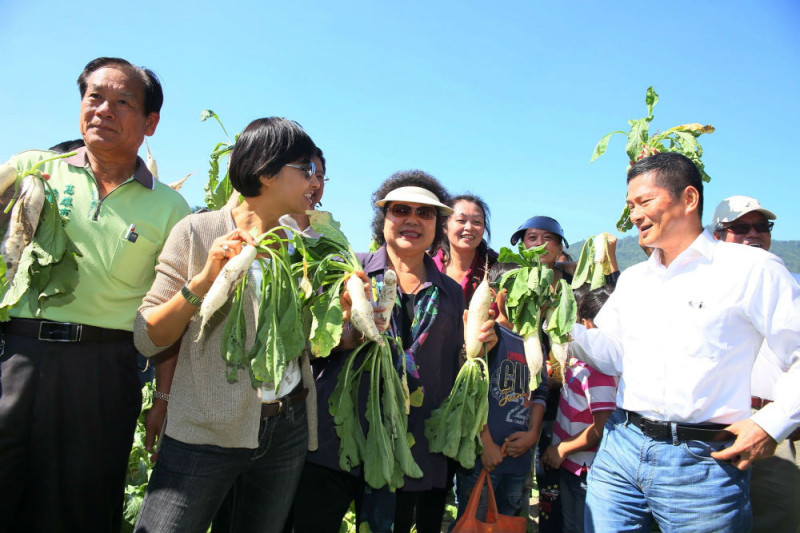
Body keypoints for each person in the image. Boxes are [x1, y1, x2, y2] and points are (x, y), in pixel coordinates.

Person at [0, 57, 190, 533]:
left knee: (82, 505)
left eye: (122, 101)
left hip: (104, 370)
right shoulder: (36, 169)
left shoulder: (170, 208)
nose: (104, 110)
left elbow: (172, 310)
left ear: (150, 123)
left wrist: (162, 396)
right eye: (94, 97)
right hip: (18, 355)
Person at [570, 152, 800, 532]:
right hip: (620, 448)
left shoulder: (751, 269)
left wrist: (771, 424)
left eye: (644, 202)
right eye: (630, 205)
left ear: (689, 199)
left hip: (702, 462)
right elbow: (612, 356)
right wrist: (558, 327)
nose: (634, 214)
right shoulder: (635, 279)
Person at [132, 117, 321, 533]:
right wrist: (203, 280)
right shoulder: (197, 233)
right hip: (205, 430)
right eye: (304, 169)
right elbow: (149, 337)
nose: (314, 180)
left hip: (285, 430)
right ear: (266, 173)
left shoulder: (302, 250)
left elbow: (315, 344)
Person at [291, 173, 497, 533]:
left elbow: (449, 367)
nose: (413, 219)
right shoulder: (349, 272)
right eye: (400, 209)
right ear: (384, 218)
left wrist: (477, 350)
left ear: (438, 224)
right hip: (334, 444)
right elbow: (309, 345)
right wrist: (351, 334)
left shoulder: (451, 293)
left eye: (426, 213)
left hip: (409, 451)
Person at [711, 195, 800, 533]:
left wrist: (773, 424)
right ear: (717, 236)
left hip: (773, 428)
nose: (753, 234)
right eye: (740, 228)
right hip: (714, 432)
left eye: (761, 227)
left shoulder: (790, 284)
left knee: (776, 519)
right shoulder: (705, 287)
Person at [452, 261, 548, 525]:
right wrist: (486, 442)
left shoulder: (533, 341)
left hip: (519, 460)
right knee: (473, 521)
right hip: (484, 457)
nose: (522, 298)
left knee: (508, 523)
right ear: (496, 293)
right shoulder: (489, 334)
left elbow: (540, 392)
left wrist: (532, 435)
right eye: (514, 290)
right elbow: (472, 390)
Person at [541, 286, 617, 533]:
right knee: (570, 524)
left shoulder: (599, 370)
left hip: (584, 468)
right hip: (570, 464)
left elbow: (601, 427)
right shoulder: (582, 362)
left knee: (580, 526)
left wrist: (561, 449)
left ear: (585, 324)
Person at [432, 193, 498, 304]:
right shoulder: (428, 267)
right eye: (461, 220)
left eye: (477, 222)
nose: (469, 227)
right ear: (444, 226)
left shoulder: (496, 271)